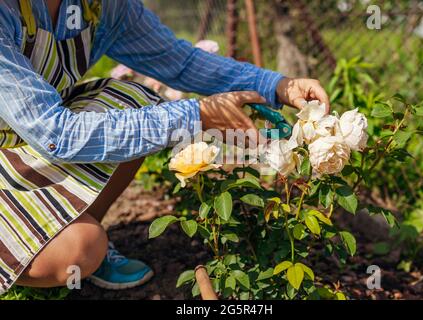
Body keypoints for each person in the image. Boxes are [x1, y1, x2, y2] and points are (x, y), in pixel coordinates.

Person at [0, 0, 330, 293]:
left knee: (133, 105)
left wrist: (275, 85)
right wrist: (197, 115)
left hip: (28, 145)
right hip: (41, 137)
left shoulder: (97, 7)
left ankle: (52, 228)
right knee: (81, 249)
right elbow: (57, 134)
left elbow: (180, 62)